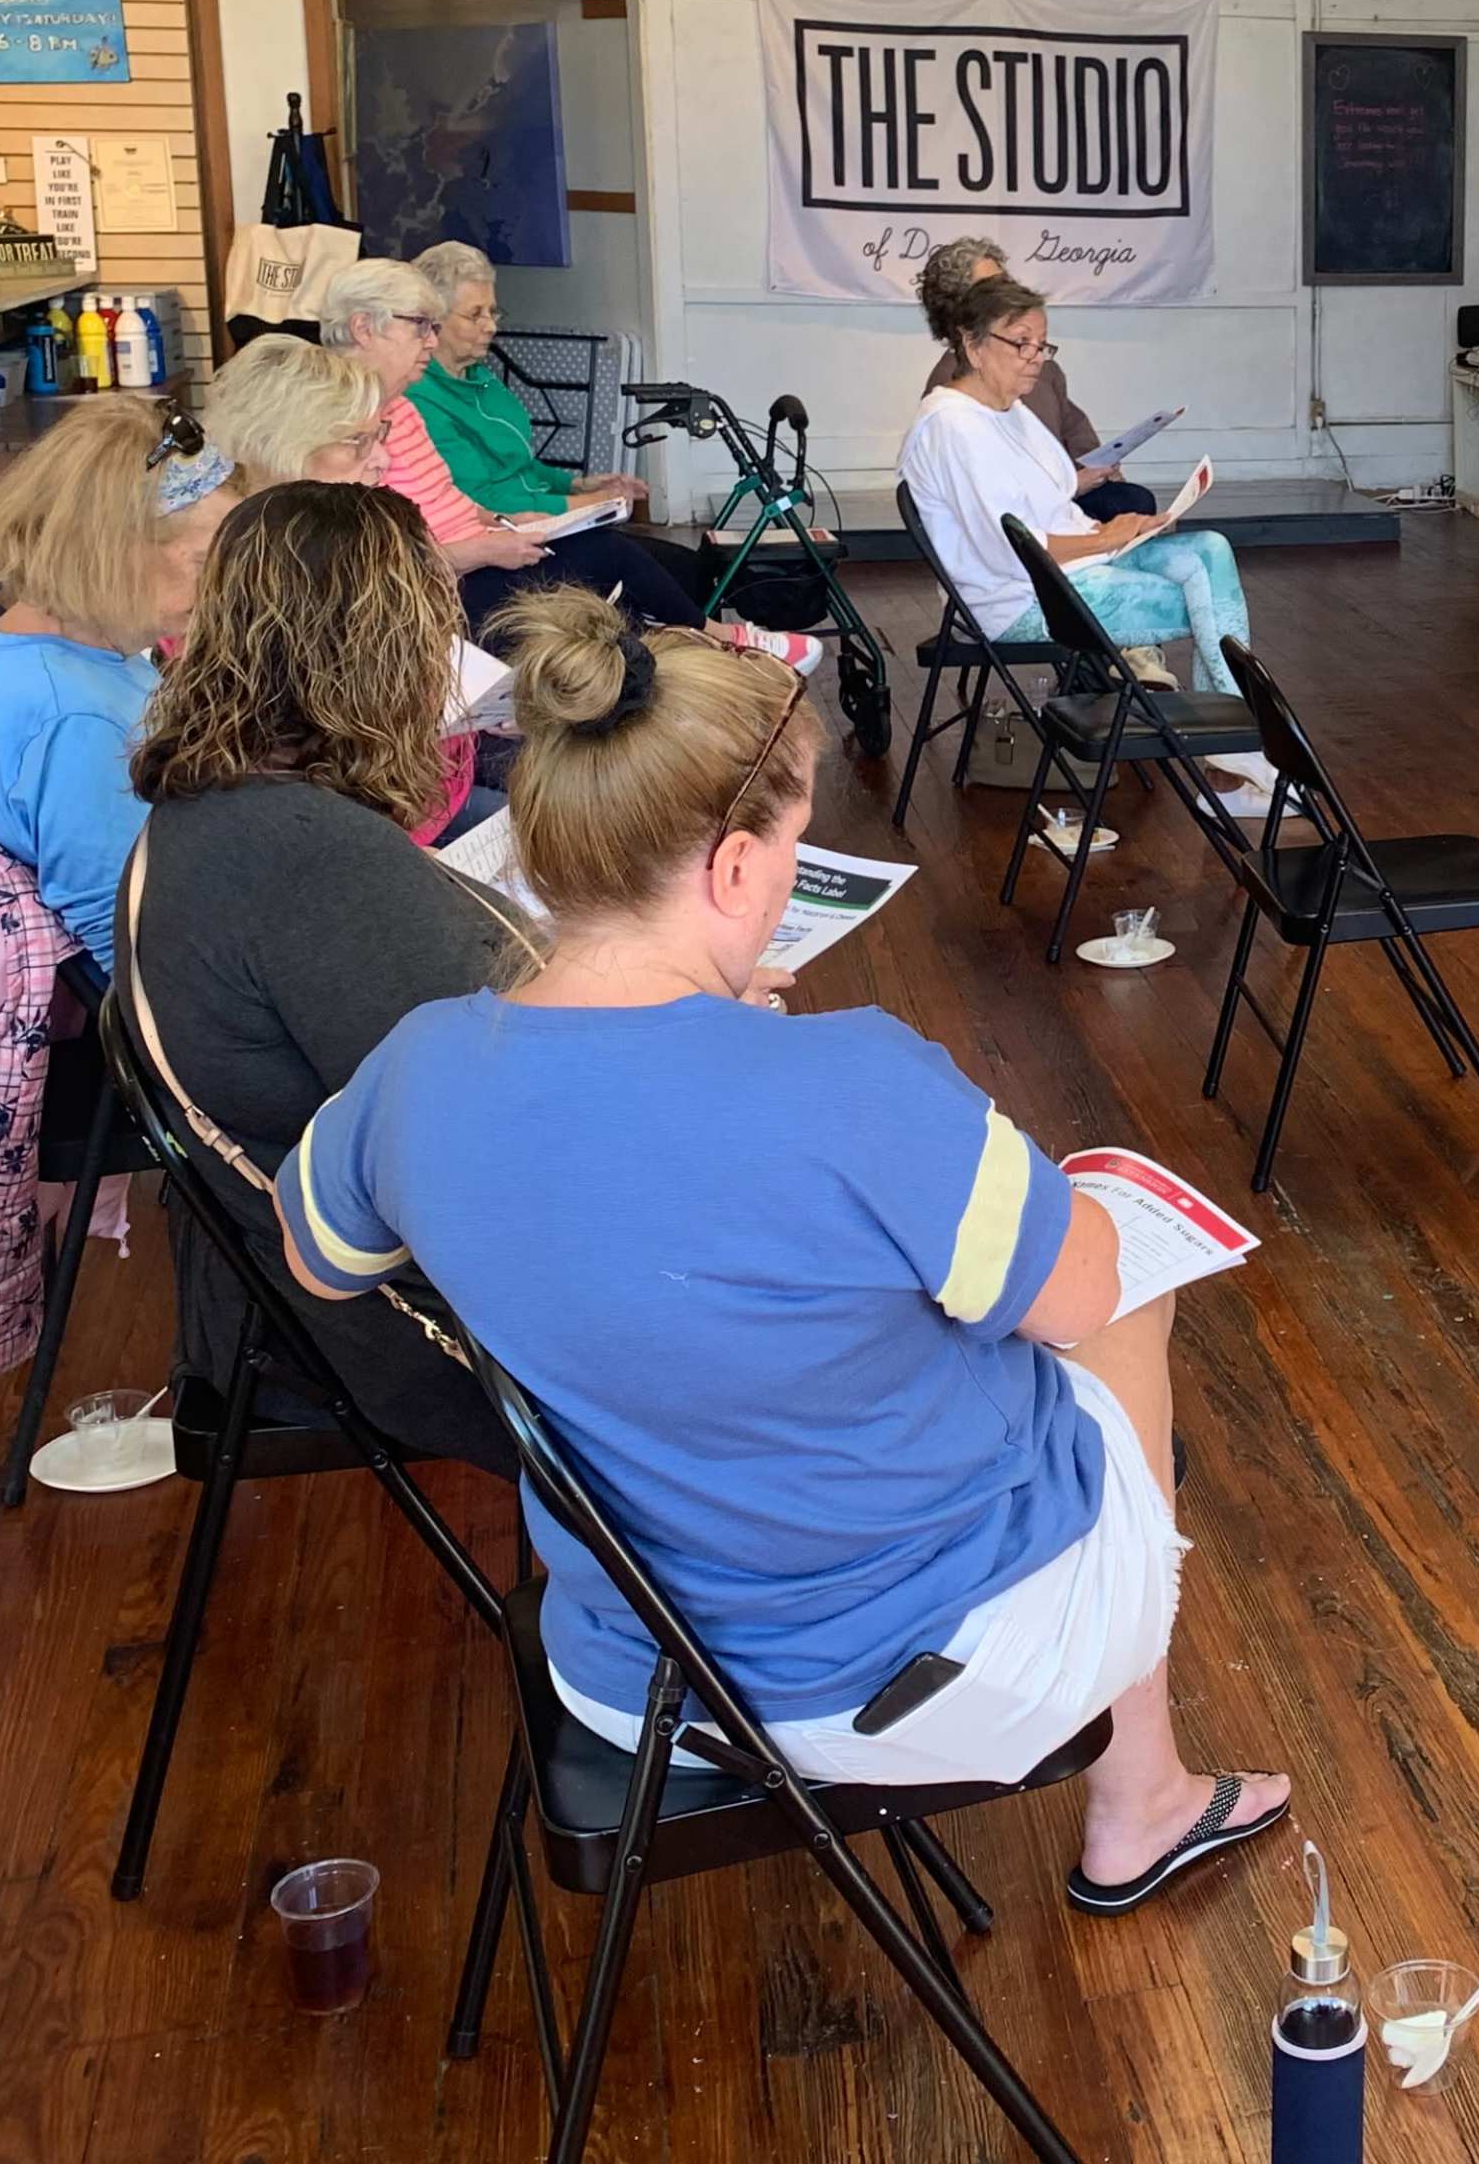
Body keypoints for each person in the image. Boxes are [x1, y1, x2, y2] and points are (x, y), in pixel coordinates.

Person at [270, 583, 1291, 1905]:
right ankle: (1141, 1795)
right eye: (793, 851)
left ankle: (1140, 1787)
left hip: (634, 1677)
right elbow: (1076, 1290)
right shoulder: (852, 1085)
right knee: (1118, 1298)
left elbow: (317, 1258)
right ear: (736, 872)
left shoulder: (420, 1068)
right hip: (908, 1676)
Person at [122, 482, 537, 1468]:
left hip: (309, 1276)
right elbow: (504, 1129)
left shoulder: (220, 797)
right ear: (388, 651)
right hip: (386, 1328)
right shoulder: (307, 856)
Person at [320, 261, 806, 665]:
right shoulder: (343, 429)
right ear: (364, 328)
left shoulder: (403, 406)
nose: (431, 339)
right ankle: (720, 642)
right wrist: (493, 545)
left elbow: (458, 494)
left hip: (474, 550)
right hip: (440, 587)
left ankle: (695, 658)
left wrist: (506, 520)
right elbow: (374, 564)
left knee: (632, 570)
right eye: (420, 325)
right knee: (607, 559)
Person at [901, 274, 1276, 748]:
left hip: (1070, 571)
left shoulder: (1008, 410)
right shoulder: (952, 428)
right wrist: (1108, 537)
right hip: (1021, 599)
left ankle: (1234, 750)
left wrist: (1129, 529)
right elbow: (1012, 552)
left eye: (1042, 345)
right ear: (973, 346)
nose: (1036, 358)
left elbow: (1052, 501)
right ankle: (1240, 752)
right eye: (1022, 344)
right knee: (1212, 607)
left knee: (1209, 552)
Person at [0, 395, 240, 972]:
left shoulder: (58, 648)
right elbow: (126, 941)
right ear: (114, 554)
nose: (224, 590)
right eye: (205, 565)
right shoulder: (75, 719)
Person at [405, 241, 657, 521]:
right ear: (432, 320)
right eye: (475, 314)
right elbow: (481, 500)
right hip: (505, 535)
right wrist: (594, 502)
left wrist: (574, 485)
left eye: (492, 312)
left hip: (538, 523)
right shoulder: (420, 400)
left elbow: (516, 464)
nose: (491, 326)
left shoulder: (480, 378)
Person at [918, 240, 1158, 522]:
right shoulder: (951, 396)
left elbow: (1075, 430)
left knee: (1131, 500)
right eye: (990, 288)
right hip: (1032, 515)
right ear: (960, 308)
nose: (1034, 357)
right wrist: (1073, 486)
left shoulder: (1042, 368)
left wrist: (1102, 468)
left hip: (1067, 495)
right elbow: (999, 501)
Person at [204, 332, 392, 490]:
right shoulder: (223, 530)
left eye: (378, 435)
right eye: (358, 441)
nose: (383, 460)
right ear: (281, 447)